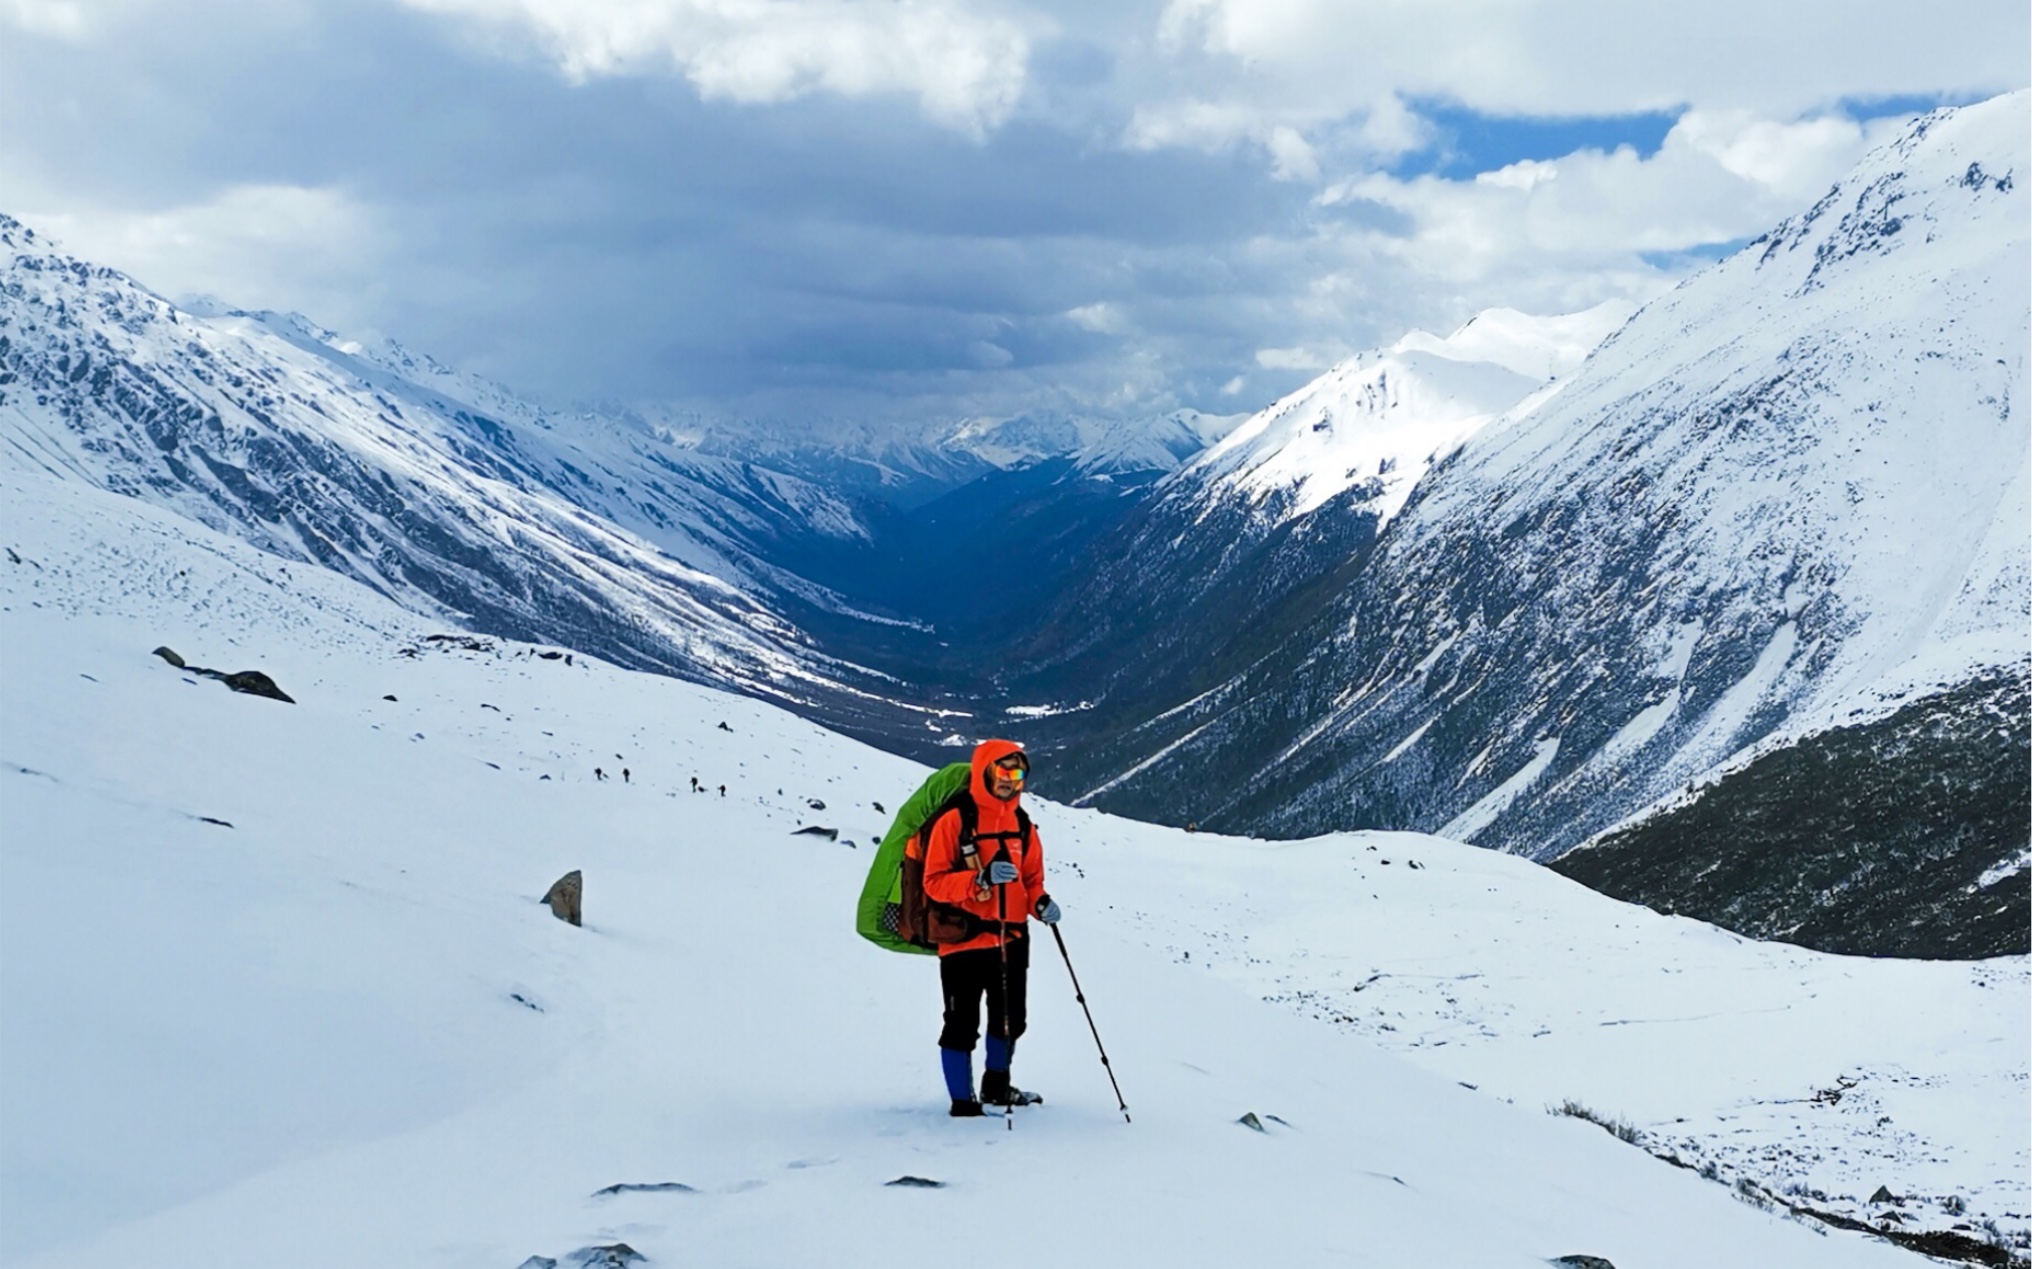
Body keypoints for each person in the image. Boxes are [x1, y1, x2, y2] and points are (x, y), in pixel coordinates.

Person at [920, 739, 1061, 1117]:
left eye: (1017, 773)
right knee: (961, 1024)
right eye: (1003, 771)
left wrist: (1040, 903)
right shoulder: (955, 820)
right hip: (963, 939)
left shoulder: (1022, 825)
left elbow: (1031, 881)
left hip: (1011, 938)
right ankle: (963, 1104)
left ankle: (996, 1089)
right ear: (985, 770)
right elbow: (932, 882)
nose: (1010, 780)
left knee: (1010, 1020)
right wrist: (979, 880)